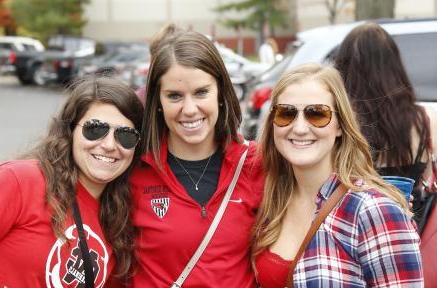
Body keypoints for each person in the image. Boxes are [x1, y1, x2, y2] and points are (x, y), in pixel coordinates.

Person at [0, 77, 143, 287]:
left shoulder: (117, 219)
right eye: (95, 129)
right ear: (70, 130)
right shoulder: (21, 180)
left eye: (126, 135)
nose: (109, 145)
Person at [252, 63, 423, 287]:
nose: (300, 128)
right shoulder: (270, 198)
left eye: (317, 114)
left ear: (340, 125)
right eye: (287, 113)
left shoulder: (373, 210)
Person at [129, 25, 264, 286]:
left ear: (221, 94)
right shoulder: (132, 169)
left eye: (201, 92)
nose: (189, 109)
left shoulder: (256, 164)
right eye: (174, 96)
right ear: (157, 101)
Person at [333, 22, 437, 287]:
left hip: (351, 236)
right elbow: (426, 178)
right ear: (394, 65)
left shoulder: (340, 123)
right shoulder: (421, 120)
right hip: (410, 234)